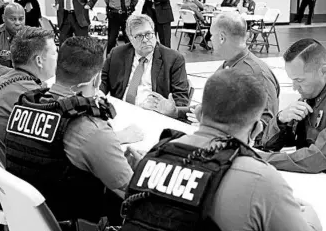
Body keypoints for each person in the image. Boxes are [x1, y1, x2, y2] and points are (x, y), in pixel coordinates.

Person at [121, 68, 322, 231]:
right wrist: (312, 220)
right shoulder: (262, 181)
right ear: (257, 128)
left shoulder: (155, 155)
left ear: (199, 113)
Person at [3, 36, 136, 223]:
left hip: (26, 220)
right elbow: (133, 193)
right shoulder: (90, 129)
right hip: (70, 221)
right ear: (97, 79)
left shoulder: (25, 105)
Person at [0, 27, 56, 230]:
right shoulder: (33, 97)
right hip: (9, 193)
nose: (58, 56)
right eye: (54, 51)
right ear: (39, 61)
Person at [189, 12, 280, 146]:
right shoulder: (227, 66)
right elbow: (209, 109)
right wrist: (175, 111)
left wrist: (219, 129)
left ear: (221, 38)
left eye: (211, 35)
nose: (209, 40)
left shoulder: (256, 74)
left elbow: (266, 127)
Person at [100, 14, 190, 119]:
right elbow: (103, 82)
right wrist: (99, 94)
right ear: (130, 38)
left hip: (153, 116)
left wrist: (173, 111)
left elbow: (181, 99)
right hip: (119, 113)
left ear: (154, 32)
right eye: (139, 36)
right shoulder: (117, 54)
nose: (145, 39)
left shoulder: (173, 59)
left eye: (148, 34)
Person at [259, 38, 326, 173]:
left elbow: (316, 159)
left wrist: (261, 159)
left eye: (299, 80)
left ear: (323, 71)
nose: (295, 88)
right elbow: (266, 144)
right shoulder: (309, 99)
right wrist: (281, 120)